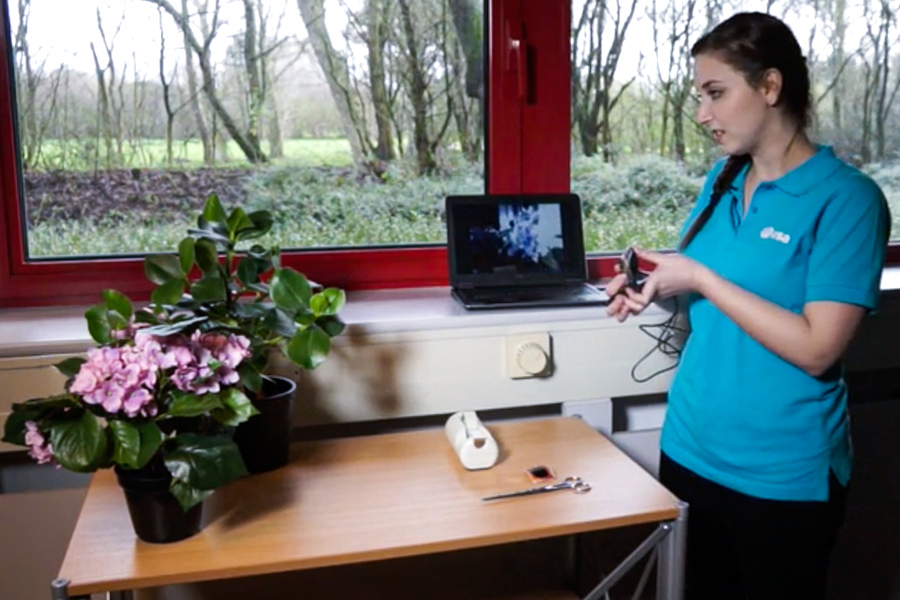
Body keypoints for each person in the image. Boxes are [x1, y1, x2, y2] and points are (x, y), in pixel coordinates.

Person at [605, 12, 890, 600]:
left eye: (715, 94)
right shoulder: (721, 181)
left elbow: (817, 348)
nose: (702, 114)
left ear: (770, 86)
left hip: (782, 474)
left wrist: (702, 279)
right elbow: (707, 301)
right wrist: (657, 286)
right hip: (688, 447)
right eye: (698, 96)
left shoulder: (848, 201)